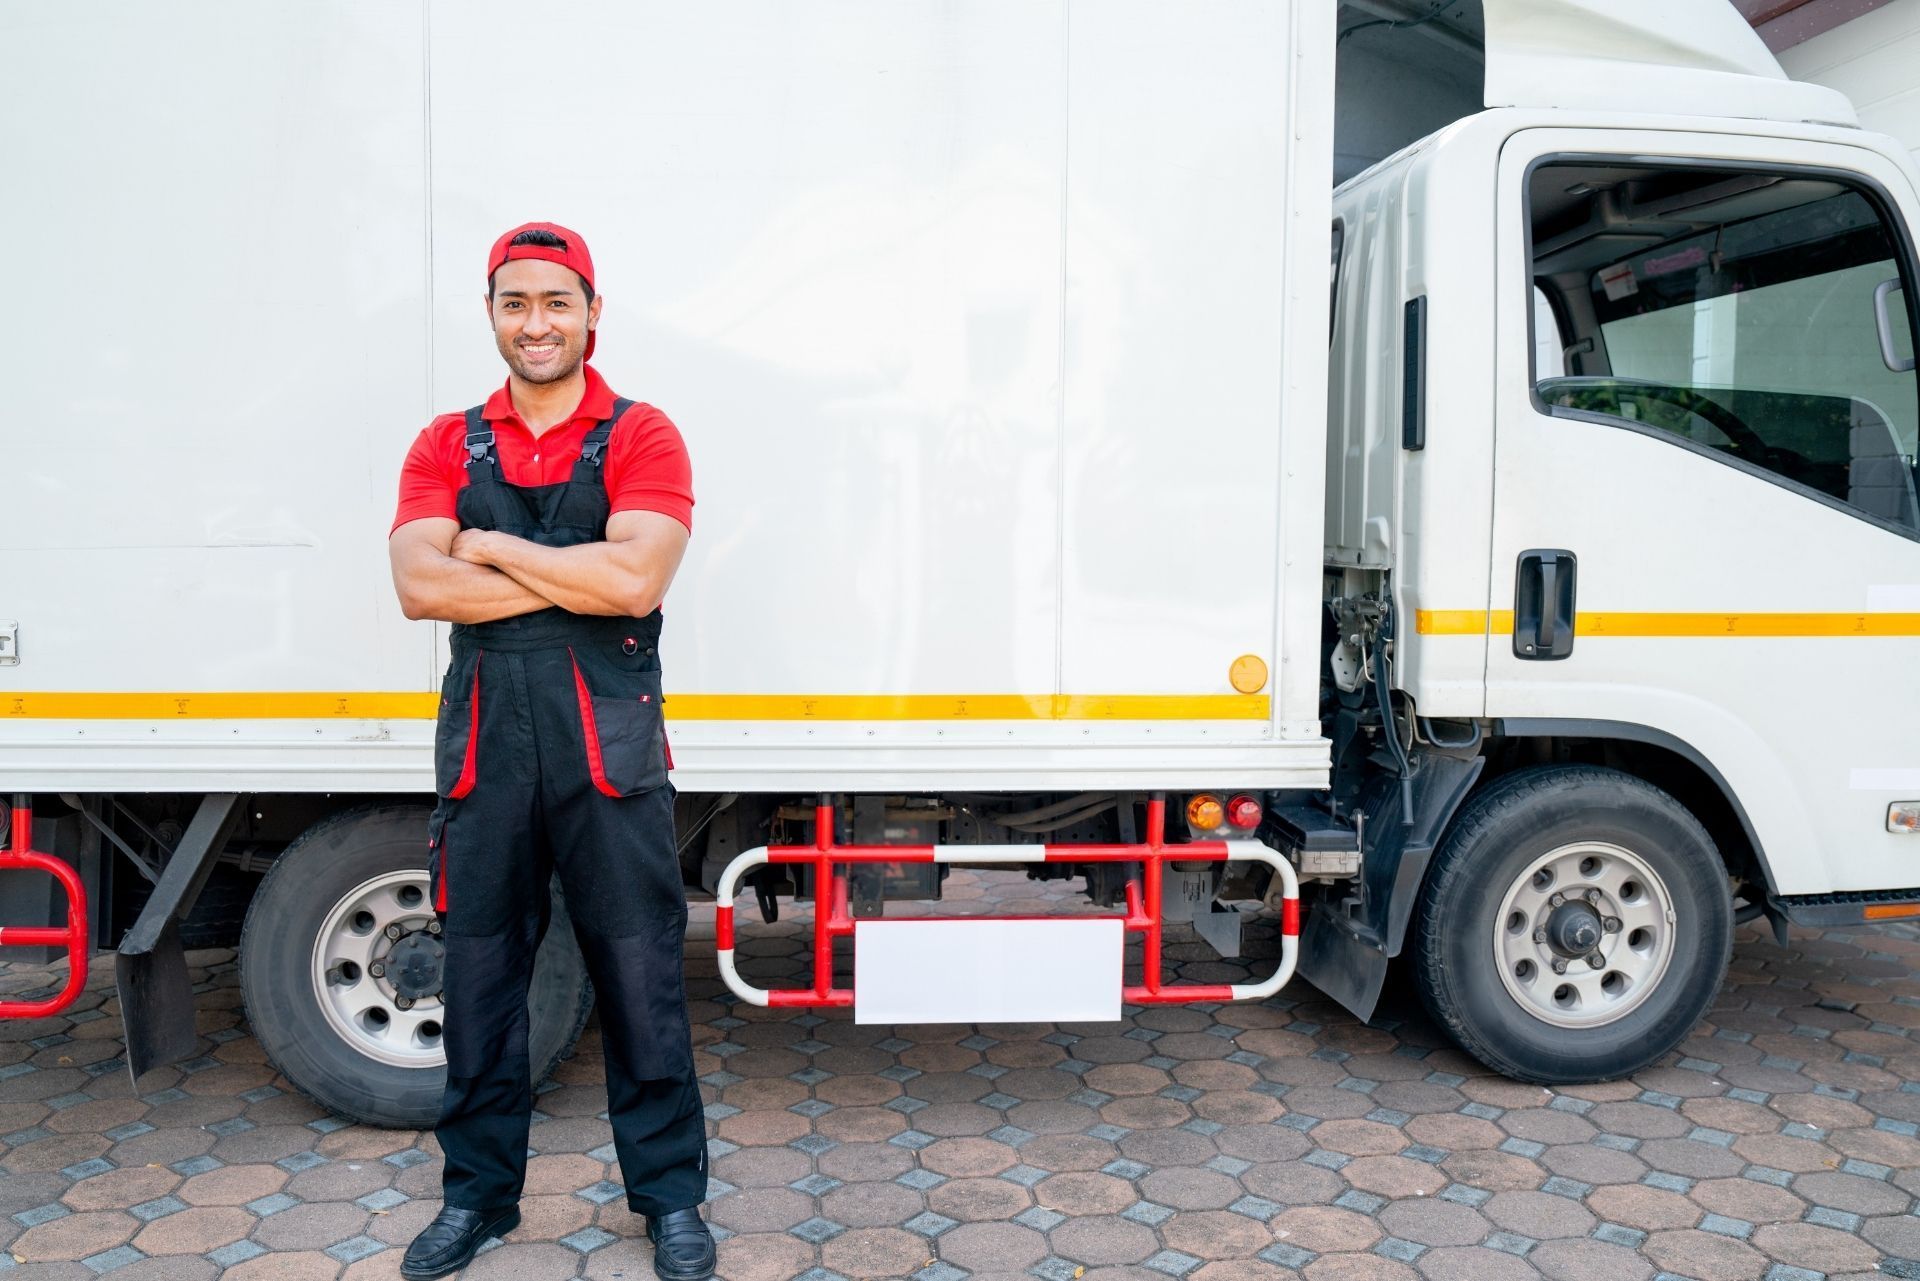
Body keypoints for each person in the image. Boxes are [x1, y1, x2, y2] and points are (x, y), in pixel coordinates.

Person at [386, 222, 712, 1281]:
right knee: (478, 980)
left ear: (592, 313)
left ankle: (669, 1203)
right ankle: (477, 1201)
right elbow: (419, 588)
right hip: (488, 738)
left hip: (605, 742)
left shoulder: (643, 434)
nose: (537, 323)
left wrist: (490, 546)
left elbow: (634, 586)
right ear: (492, 315)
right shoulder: (446, 441)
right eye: (516, 303)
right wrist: (572, 567)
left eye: (556, 303)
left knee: (639, 976)